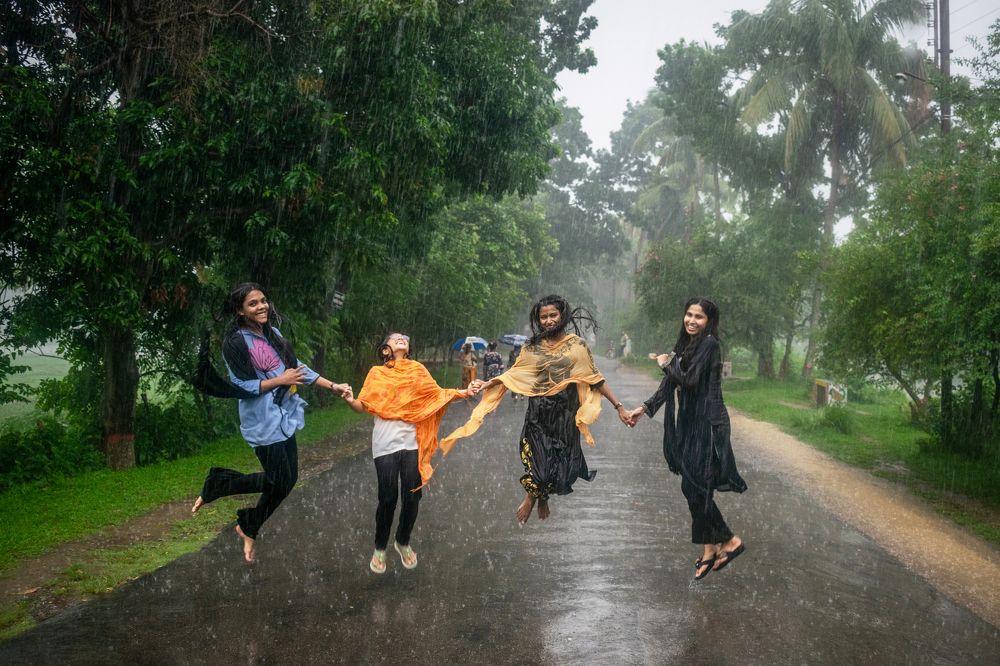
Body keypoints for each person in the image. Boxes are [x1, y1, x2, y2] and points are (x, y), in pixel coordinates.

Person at [191, 283, 351, 562]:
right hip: (262, 420)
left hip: (283, 412)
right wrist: (281, 380)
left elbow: (296, 366)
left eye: (263, 300)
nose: (262, 306)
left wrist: (332, 385)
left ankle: (248, 523)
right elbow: (242, 384)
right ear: (240, 311)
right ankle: (219, 486)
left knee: (287, 480)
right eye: (253, 303)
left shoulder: (272, 333)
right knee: (280, 479)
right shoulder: (236, 343)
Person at [442, 294, 631, 524]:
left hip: (565, 414)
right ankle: (533, 497)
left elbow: (595, 379)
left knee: (564, 469)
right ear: (538, 319)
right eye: (544, 317)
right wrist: (488, 383)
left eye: (553, 315)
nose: (549, 320)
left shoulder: (576, 346)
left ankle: (541, 495)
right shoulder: (532, 347)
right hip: (539, 411)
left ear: (562, 315)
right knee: (539, 462)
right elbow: (515, 372)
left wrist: (619, 407)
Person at [625, 297, 747, 580]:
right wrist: (642, 409)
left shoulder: (709, 344)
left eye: (699, 317)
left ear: (709, 322)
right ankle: (710, 548)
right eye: (689, 315)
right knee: (694, 487)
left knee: (696, 487)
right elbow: (670, 384)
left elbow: (688, 379)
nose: (692, 320)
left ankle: (729, 541)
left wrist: (666, 363)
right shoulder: (686, 346)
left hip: (708, 424)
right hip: (690, 423)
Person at [343, 333, 478, 574]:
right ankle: (380, 548)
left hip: (413, 442)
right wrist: (350, 399)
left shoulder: (418, 370)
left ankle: (403, 541)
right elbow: (362, 406)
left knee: (413, 496)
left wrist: (464, 393)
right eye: (395, 338)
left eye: (404, 337)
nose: (402, 339)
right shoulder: (377, 373)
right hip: (385, 443)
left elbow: (437, 396)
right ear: (385, 349)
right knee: (387, 498)